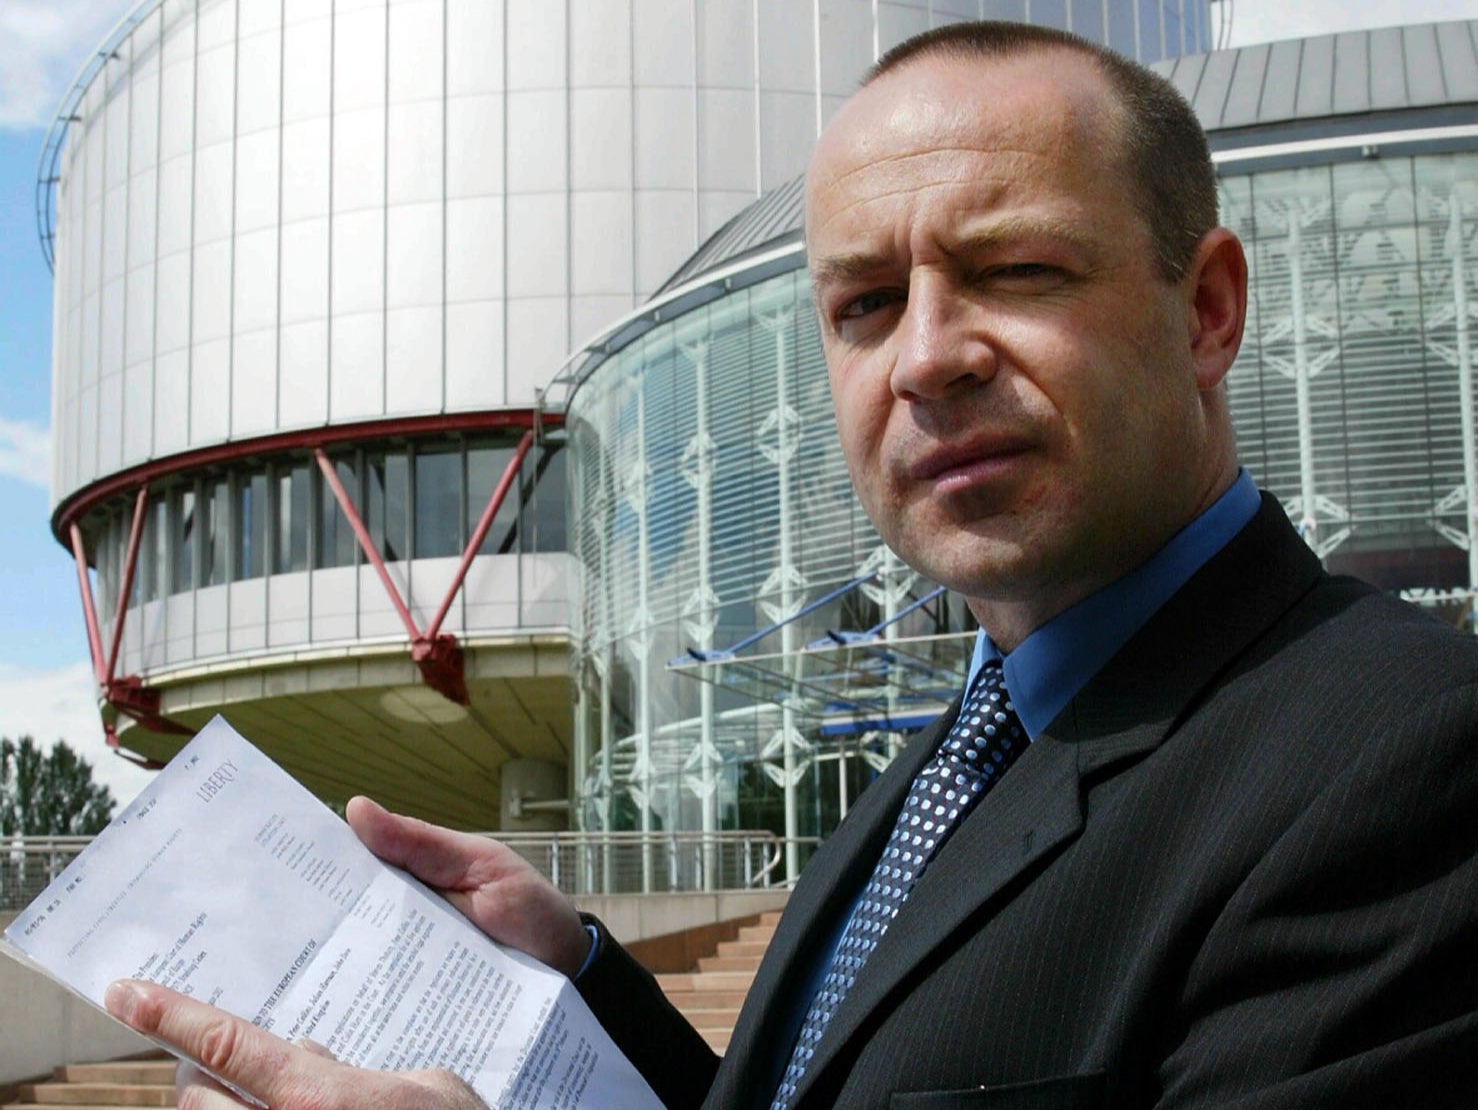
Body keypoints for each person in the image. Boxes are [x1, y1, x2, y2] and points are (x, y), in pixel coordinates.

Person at [104, 20, 1477, 1109]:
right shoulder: (935, 776)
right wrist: (575, 981)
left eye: (1012, 270)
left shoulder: (1409, 763)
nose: (927, 356)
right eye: (865, 304)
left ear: (1210, 310)